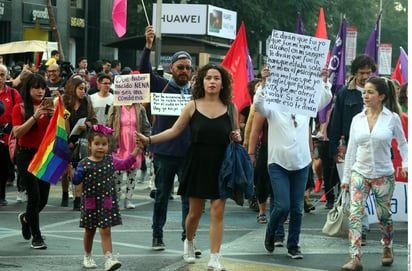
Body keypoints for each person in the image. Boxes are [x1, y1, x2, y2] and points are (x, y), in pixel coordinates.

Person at [136, 63, 241, 270]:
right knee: (195, 212)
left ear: (223, 84)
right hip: (197, 162)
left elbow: (236, 133)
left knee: (218, 211)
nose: (212, 81)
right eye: (208, 77)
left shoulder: (231, 107)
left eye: (216, 78)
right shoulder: (192, 105)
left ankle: (215, 257)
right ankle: (189, 241)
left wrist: (238, 136)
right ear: (202, 81)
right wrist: (149, 140)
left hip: (222, 164)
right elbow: (174, 131)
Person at [254, 67, 332, 259]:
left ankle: (293, 245)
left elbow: (324, 99)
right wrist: (264, 84)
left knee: (297, 208)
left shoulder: (305, 106)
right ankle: (271, 232)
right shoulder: (272, 107)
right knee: (282, 206)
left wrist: (323, 80)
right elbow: (258, 105)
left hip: (301, 163)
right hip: (278, 163)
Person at [341, 77, 408, 271]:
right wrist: (346, 178)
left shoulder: (392, 118)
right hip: (360, 173)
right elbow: (351, 149)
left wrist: (406, 163)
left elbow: (403, 144)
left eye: (370, 92)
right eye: (365, 92)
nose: (366, 96)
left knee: (384, 215)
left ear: (382, 96)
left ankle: (387, 246)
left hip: (383, 174)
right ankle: (355, 258)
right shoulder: (357, 119)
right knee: (355, 214)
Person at [140, 25, 192, 251]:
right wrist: (148, 45)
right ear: (171, 68)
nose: (184, 71)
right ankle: (157, 235)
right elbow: (144, 72)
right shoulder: (162, 85)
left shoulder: (195, 91)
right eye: (180, 67)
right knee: (161, 197)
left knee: (188, 200)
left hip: (188, 153)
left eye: (188, 68)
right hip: (163, 153)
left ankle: (187, 239)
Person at [72, 125, 141, 270]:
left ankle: (108, 259)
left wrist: (136, 150)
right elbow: (76, 180)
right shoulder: (84, 163)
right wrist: (69, 171)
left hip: (106, 203)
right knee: (89, 231)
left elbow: (125, 164)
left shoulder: (110, 160)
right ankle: (87, 256)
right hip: (90, 203)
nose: (100, 147)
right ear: (89, 145)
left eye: (104, 144)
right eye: (97, 144)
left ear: (108, 146)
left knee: (106, 230)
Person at [328, 54, 376, 244]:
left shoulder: (380, 91)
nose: (365, 76)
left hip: (374, 150)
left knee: (372, 191)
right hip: (351, 149)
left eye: (368, 72)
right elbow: (336, 123)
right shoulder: (345, 94)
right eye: (362, 73)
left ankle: (367, 224)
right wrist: (334, 149)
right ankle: (361, 228)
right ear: (355, 73)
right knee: (355, 189)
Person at [13, 73, 54, 249]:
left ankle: (26, 218)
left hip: (45, 155)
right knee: (34, 196)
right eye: (36, 87)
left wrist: (56, 116)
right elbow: (17, 133)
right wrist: (35, 116)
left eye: (42, 87)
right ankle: (37, 237)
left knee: (44, 198)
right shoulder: (19, 108)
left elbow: (64, 130)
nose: (40, 91)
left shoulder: (51, 107)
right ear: (28, 89)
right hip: (26, 156)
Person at [107, 103, 151, 209]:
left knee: (132, 172)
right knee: (117, 173)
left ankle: (129, 199)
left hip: (134, 143)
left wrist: (147, 141)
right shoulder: (115, 107)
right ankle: (116, 198)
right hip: (119, 143)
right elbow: (109, 124)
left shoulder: (139, 108)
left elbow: (146, 126)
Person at [63, 77, 97, 210]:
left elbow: (93, 120)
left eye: (84, 89)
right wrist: (66, 140)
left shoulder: (87, 102)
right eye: (80, 89)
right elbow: (58, 122)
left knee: (79, 170)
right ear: (73, 88)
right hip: (65, 139)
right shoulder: (63, 102)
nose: (83, 91)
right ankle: (65, 194)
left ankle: (78, 199)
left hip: (81, 140)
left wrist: (86, 125)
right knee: (65, 169)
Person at [0, 64, 23, 206]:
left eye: (2, 75)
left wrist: (12, 125)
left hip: (7, 138)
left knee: (3, 169)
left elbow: (21, 110)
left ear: (7, 76)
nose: (0, 78)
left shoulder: (13, 93)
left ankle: (1, 195)